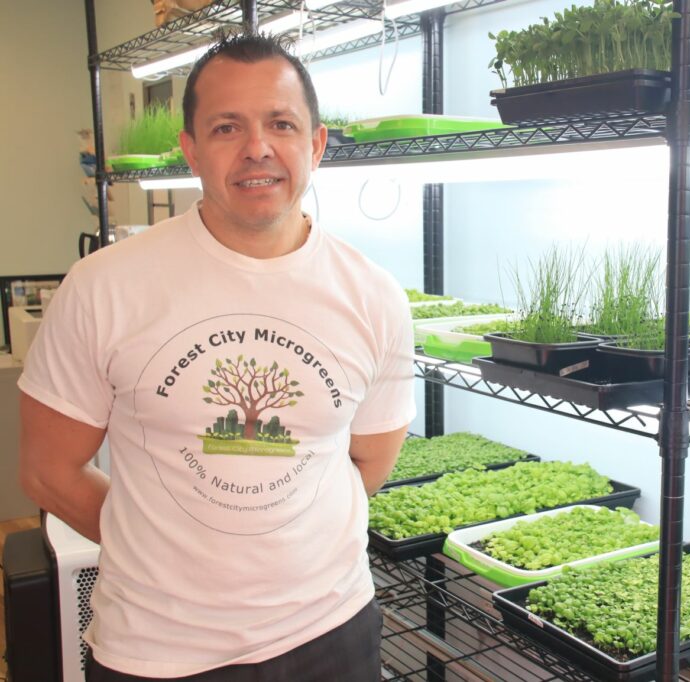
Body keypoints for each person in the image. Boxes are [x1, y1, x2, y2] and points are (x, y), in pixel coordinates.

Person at [19, 32, 415, 681]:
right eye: (227, 127)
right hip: (157, 651)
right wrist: (166, 551)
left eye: (281, 124)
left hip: (332, 634)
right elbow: (48, 471)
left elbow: (366, 463)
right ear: (191, 149)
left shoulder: (373, 296)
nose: (257, 147)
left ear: (316, 144)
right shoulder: (103, 286)